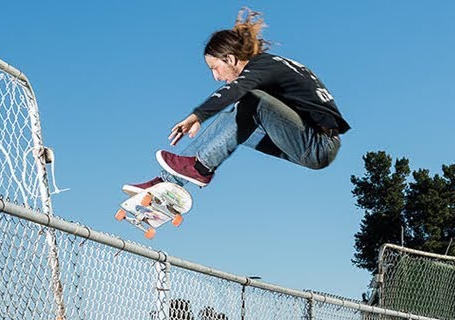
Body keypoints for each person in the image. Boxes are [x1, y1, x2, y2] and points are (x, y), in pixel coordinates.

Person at [125, 8, 349, 193]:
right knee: (236, 114)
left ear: (230, 59)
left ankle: (200, 168)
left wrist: (197, 115)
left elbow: (234, 91)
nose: (216, 77)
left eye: (215, 68)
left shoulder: (260, 66)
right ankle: (167, 185)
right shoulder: (270, 67)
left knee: (250, 99)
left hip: (318, 144)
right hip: (303, 138)